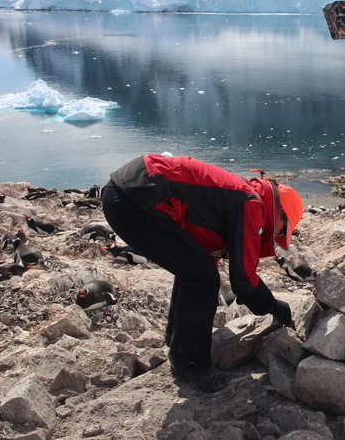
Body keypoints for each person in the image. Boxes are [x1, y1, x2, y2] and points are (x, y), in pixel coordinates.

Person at [102, 154, 303, 391]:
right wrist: (273, 306)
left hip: (127, 193)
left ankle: (177, 342)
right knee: (202, 278)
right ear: (279, 212)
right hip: (135, 199)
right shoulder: (251, 203)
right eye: (283, 229)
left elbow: (206, 252)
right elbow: (243, 281)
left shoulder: (242, 196)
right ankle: (190, 365)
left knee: (196, 271)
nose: (278, 235)